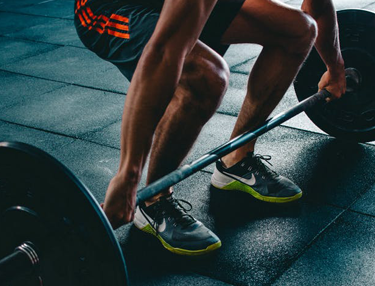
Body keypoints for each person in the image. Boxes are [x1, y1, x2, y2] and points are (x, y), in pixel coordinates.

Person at [74, 0, 346, 256]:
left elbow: (317, 7)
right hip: (110, 8)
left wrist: (335, 67)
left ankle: (236, 159)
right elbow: (165, 52)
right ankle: (154, 201)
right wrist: (128, 176)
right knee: (207, 76)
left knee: (298, 30)